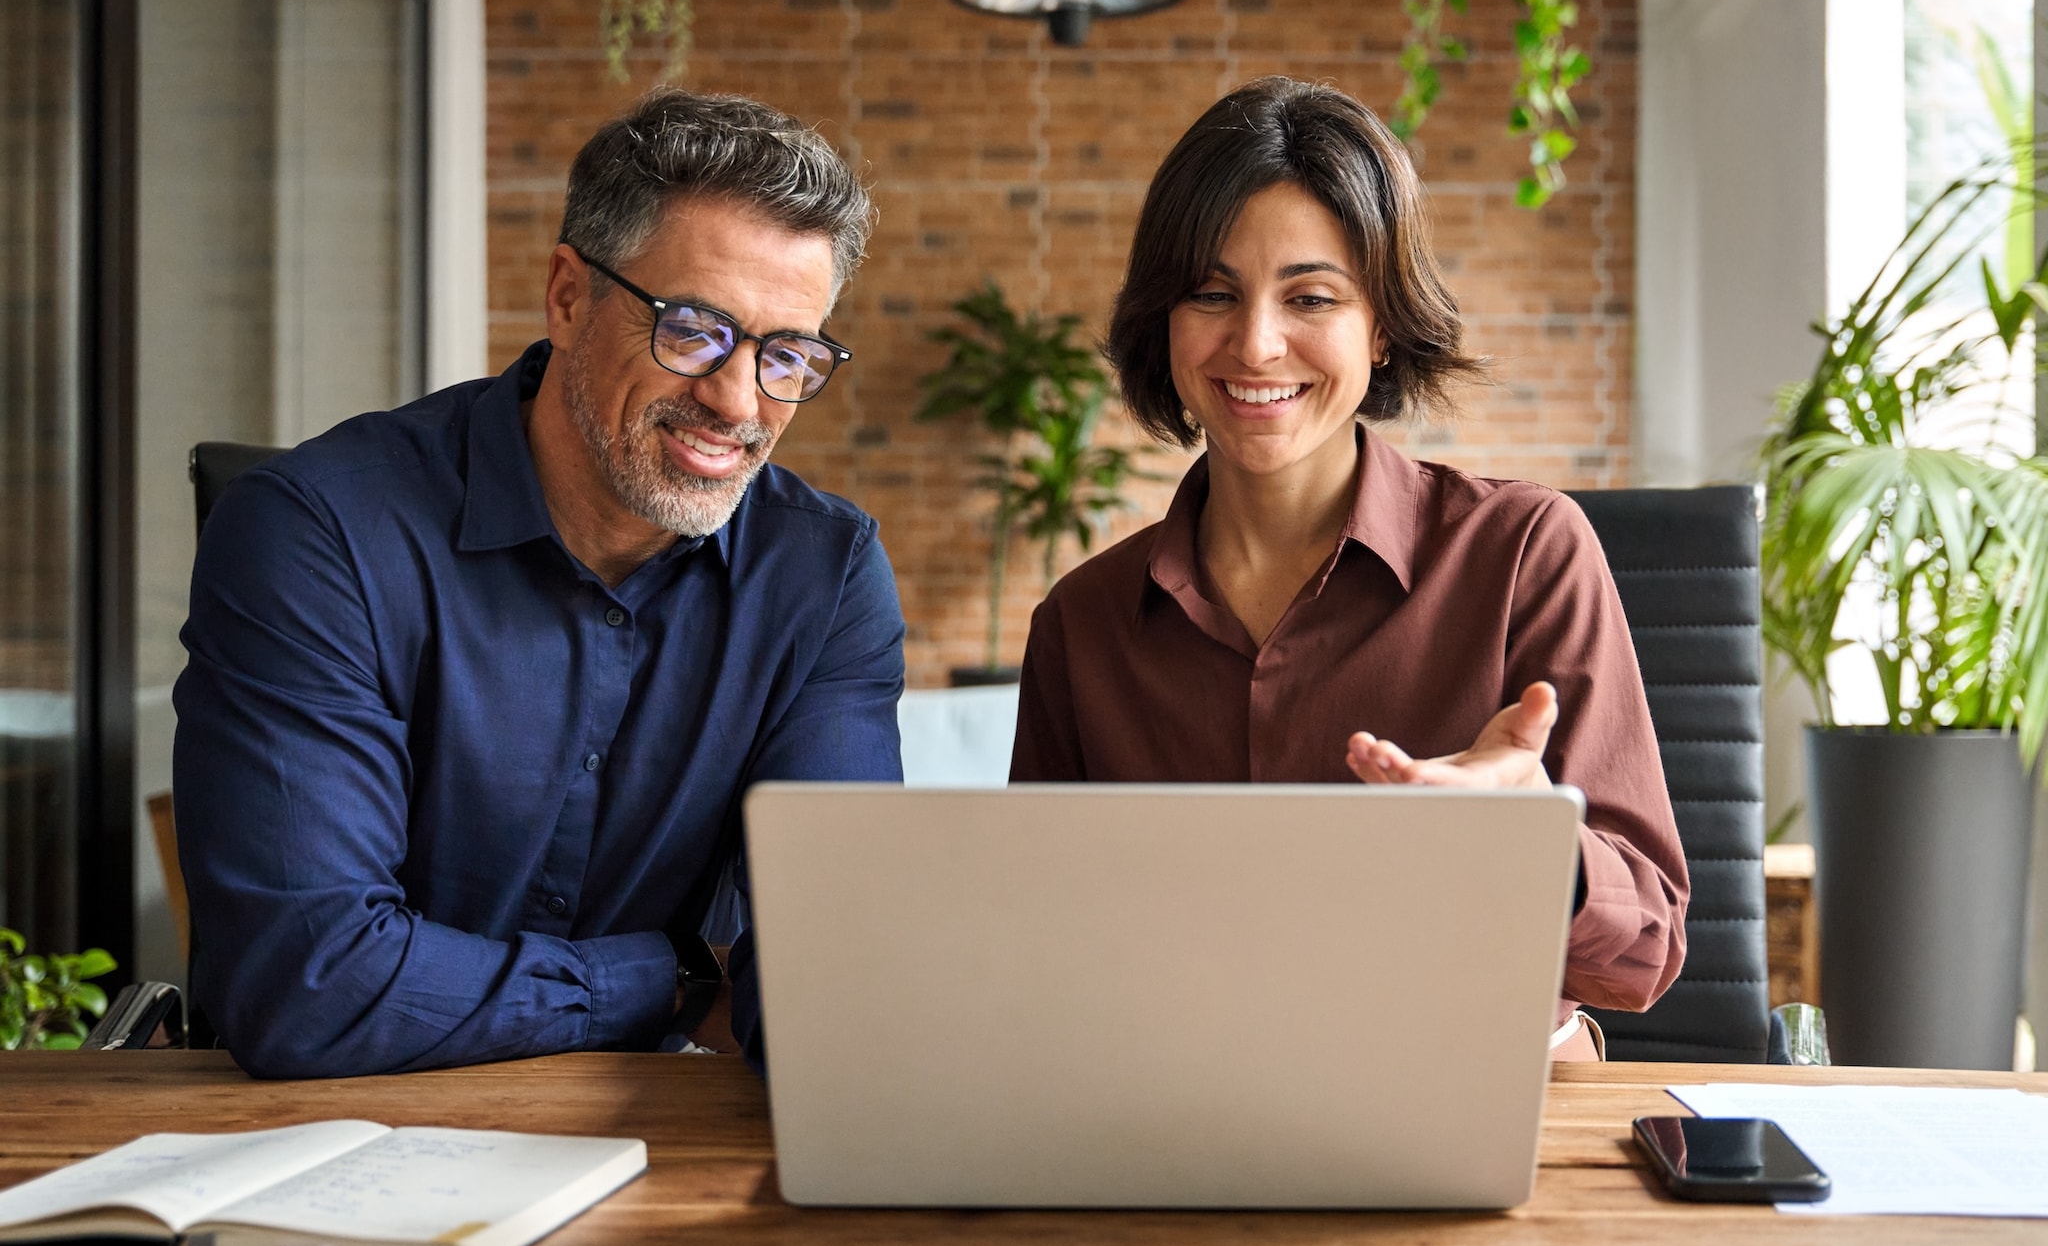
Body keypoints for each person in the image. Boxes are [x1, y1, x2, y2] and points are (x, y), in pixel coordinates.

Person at [174, 89, 903, 1078]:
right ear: (567, 297)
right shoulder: (318, 534)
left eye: (788, 355)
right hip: (310, 1145)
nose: (738, 401)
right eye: (692, 330)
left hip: (644, 1147)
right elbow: (308, 986)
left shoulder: (820, 573)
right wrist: (662, 982)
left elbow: (836, 976)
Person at [1009, 76, 1687, 1060]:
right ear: (1163, 319)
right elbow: (1037, 949)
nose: (1253, 342)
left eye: (1310, 296)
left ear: (1382, 325)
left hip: (1472, 1093)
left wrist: (1531, 845)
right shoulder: (1082, 624)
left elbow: (1642, 956)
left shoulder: (1524, 554)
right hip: (1172, 1102)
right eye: (1210, 293)